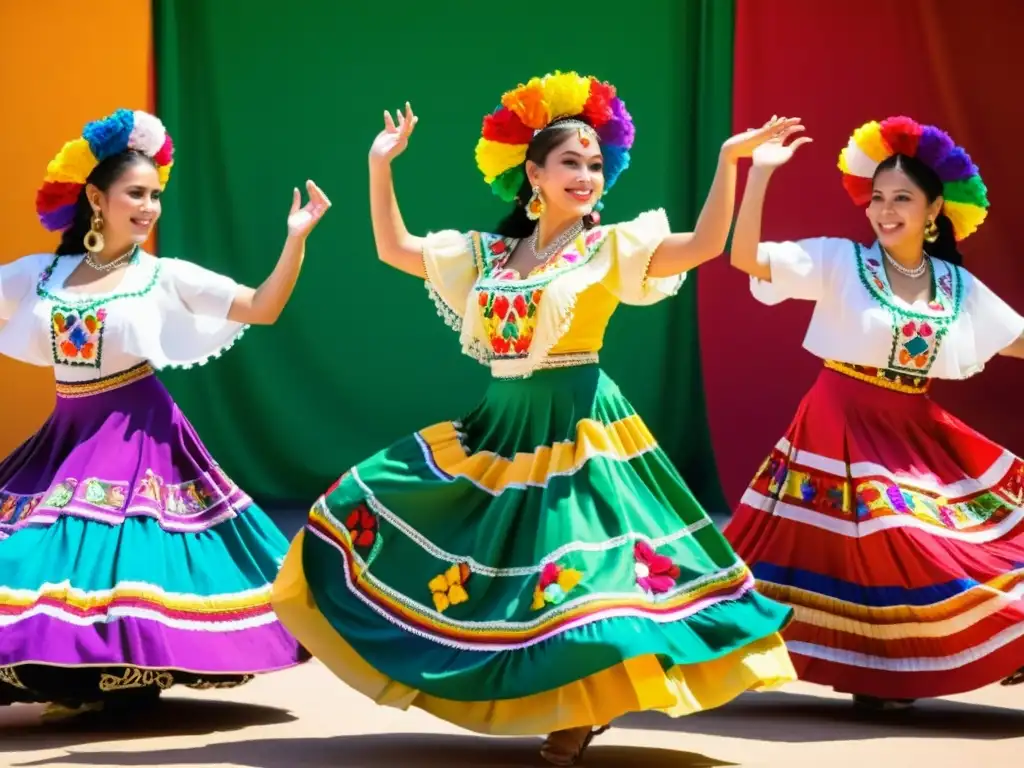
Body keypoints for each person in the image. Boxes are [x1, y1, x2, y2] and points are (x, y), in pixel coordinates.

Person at [271, 71, 796, 766]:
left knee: (573, 578)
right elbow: (394, 249)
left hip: (579, 428)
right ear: (533, 174)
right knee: (470, 560)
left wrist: (731, 163)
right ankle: (494, 683)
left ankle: (578, 715)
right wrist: (379, 165)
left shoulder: (610, 247)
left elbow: (701, 246)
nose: (586, 175)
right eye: (571, 163)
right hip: (500, 426)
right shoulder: (488, 255)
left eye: (596, 164)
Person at [0, 108, 330, 720]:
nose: (149, 206)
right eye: (135, 193)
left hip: (138, 430)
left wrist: (296, 238)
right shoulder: (40, 277)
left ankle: (111, 676)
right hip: (67, 431)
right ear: (96, 198)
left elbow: (261, 307)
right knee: (38, 550)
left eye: (155, 195)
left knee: (119, 554)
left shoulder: (163, 276)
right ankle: (70, 674)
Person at [723, 115, 1024, 710]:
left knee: (954, 537)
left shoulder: (954, 285)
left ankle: (895, 667)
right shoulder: (840, 262)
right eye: (877, 198)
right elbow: (746, 259)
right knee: (895, 532)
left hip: (913, 427)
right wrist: (758, 176)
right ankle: (881, 667)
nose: (885, 211)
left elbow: (1016, 338)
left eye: (902, 199)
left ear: (934, 209)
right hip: (839, 423)